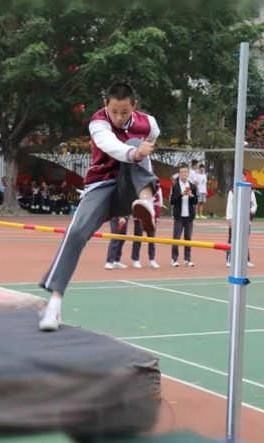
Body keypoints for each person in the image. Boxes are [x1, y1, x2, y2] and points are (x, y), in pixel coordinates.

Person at [38, 82, 159, 331]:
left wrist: (141, 152)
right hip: (100, 186)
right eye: (114, 111)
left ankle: (147, 202)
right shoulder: (98, 122)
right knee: (76, 232)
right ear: (105, 105)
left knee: (137, 143)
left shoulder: (149, 123)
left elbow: (150, 141)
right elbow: (110, 145)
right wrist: (135, 153)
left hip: (128, 189)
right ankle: (55, 304)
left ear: (134, 106)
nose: (118, 117)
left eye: (124, 112)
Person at [170, 163, 197, 267]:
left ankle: (187, 259)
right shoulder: (175, 186)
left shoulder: (192, 186)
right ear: (179, 174)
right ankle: (174, 259)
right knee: (176, 238)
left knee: (188, 238)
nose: (184, 174)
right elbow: (172, 201)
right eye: (181, 172)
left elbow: (196, 201)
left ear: (188, 173)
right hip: (179, 216)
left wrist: (191, 195)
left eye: (185, 172)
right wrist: (181, 195)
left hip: (189, 216)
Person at [225, 186, 257, 268]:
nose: (242, 180)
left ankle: (246, 260)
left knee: (244, 240)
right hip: (235, 219)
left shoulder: (250, 191)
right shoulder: (232, 191)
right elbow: (229, 205)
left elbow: (254, 205)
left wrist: (250, 215)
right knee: (232, 239)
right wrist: (230, 219)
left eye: (243, 179)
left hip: (245, 220)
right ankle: (229, 259)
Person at [131, 188, 162, 269]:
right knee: (137, 238)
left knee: (151, 239)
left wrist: (156, 217)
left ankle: (152, 260)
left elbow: (158, 203)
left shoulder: (157, 188)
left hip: (151, 217)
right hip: (139, 217)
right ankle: (136, 259)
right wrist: (135, 215)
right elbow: (134, 201)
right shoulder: (138, 186)